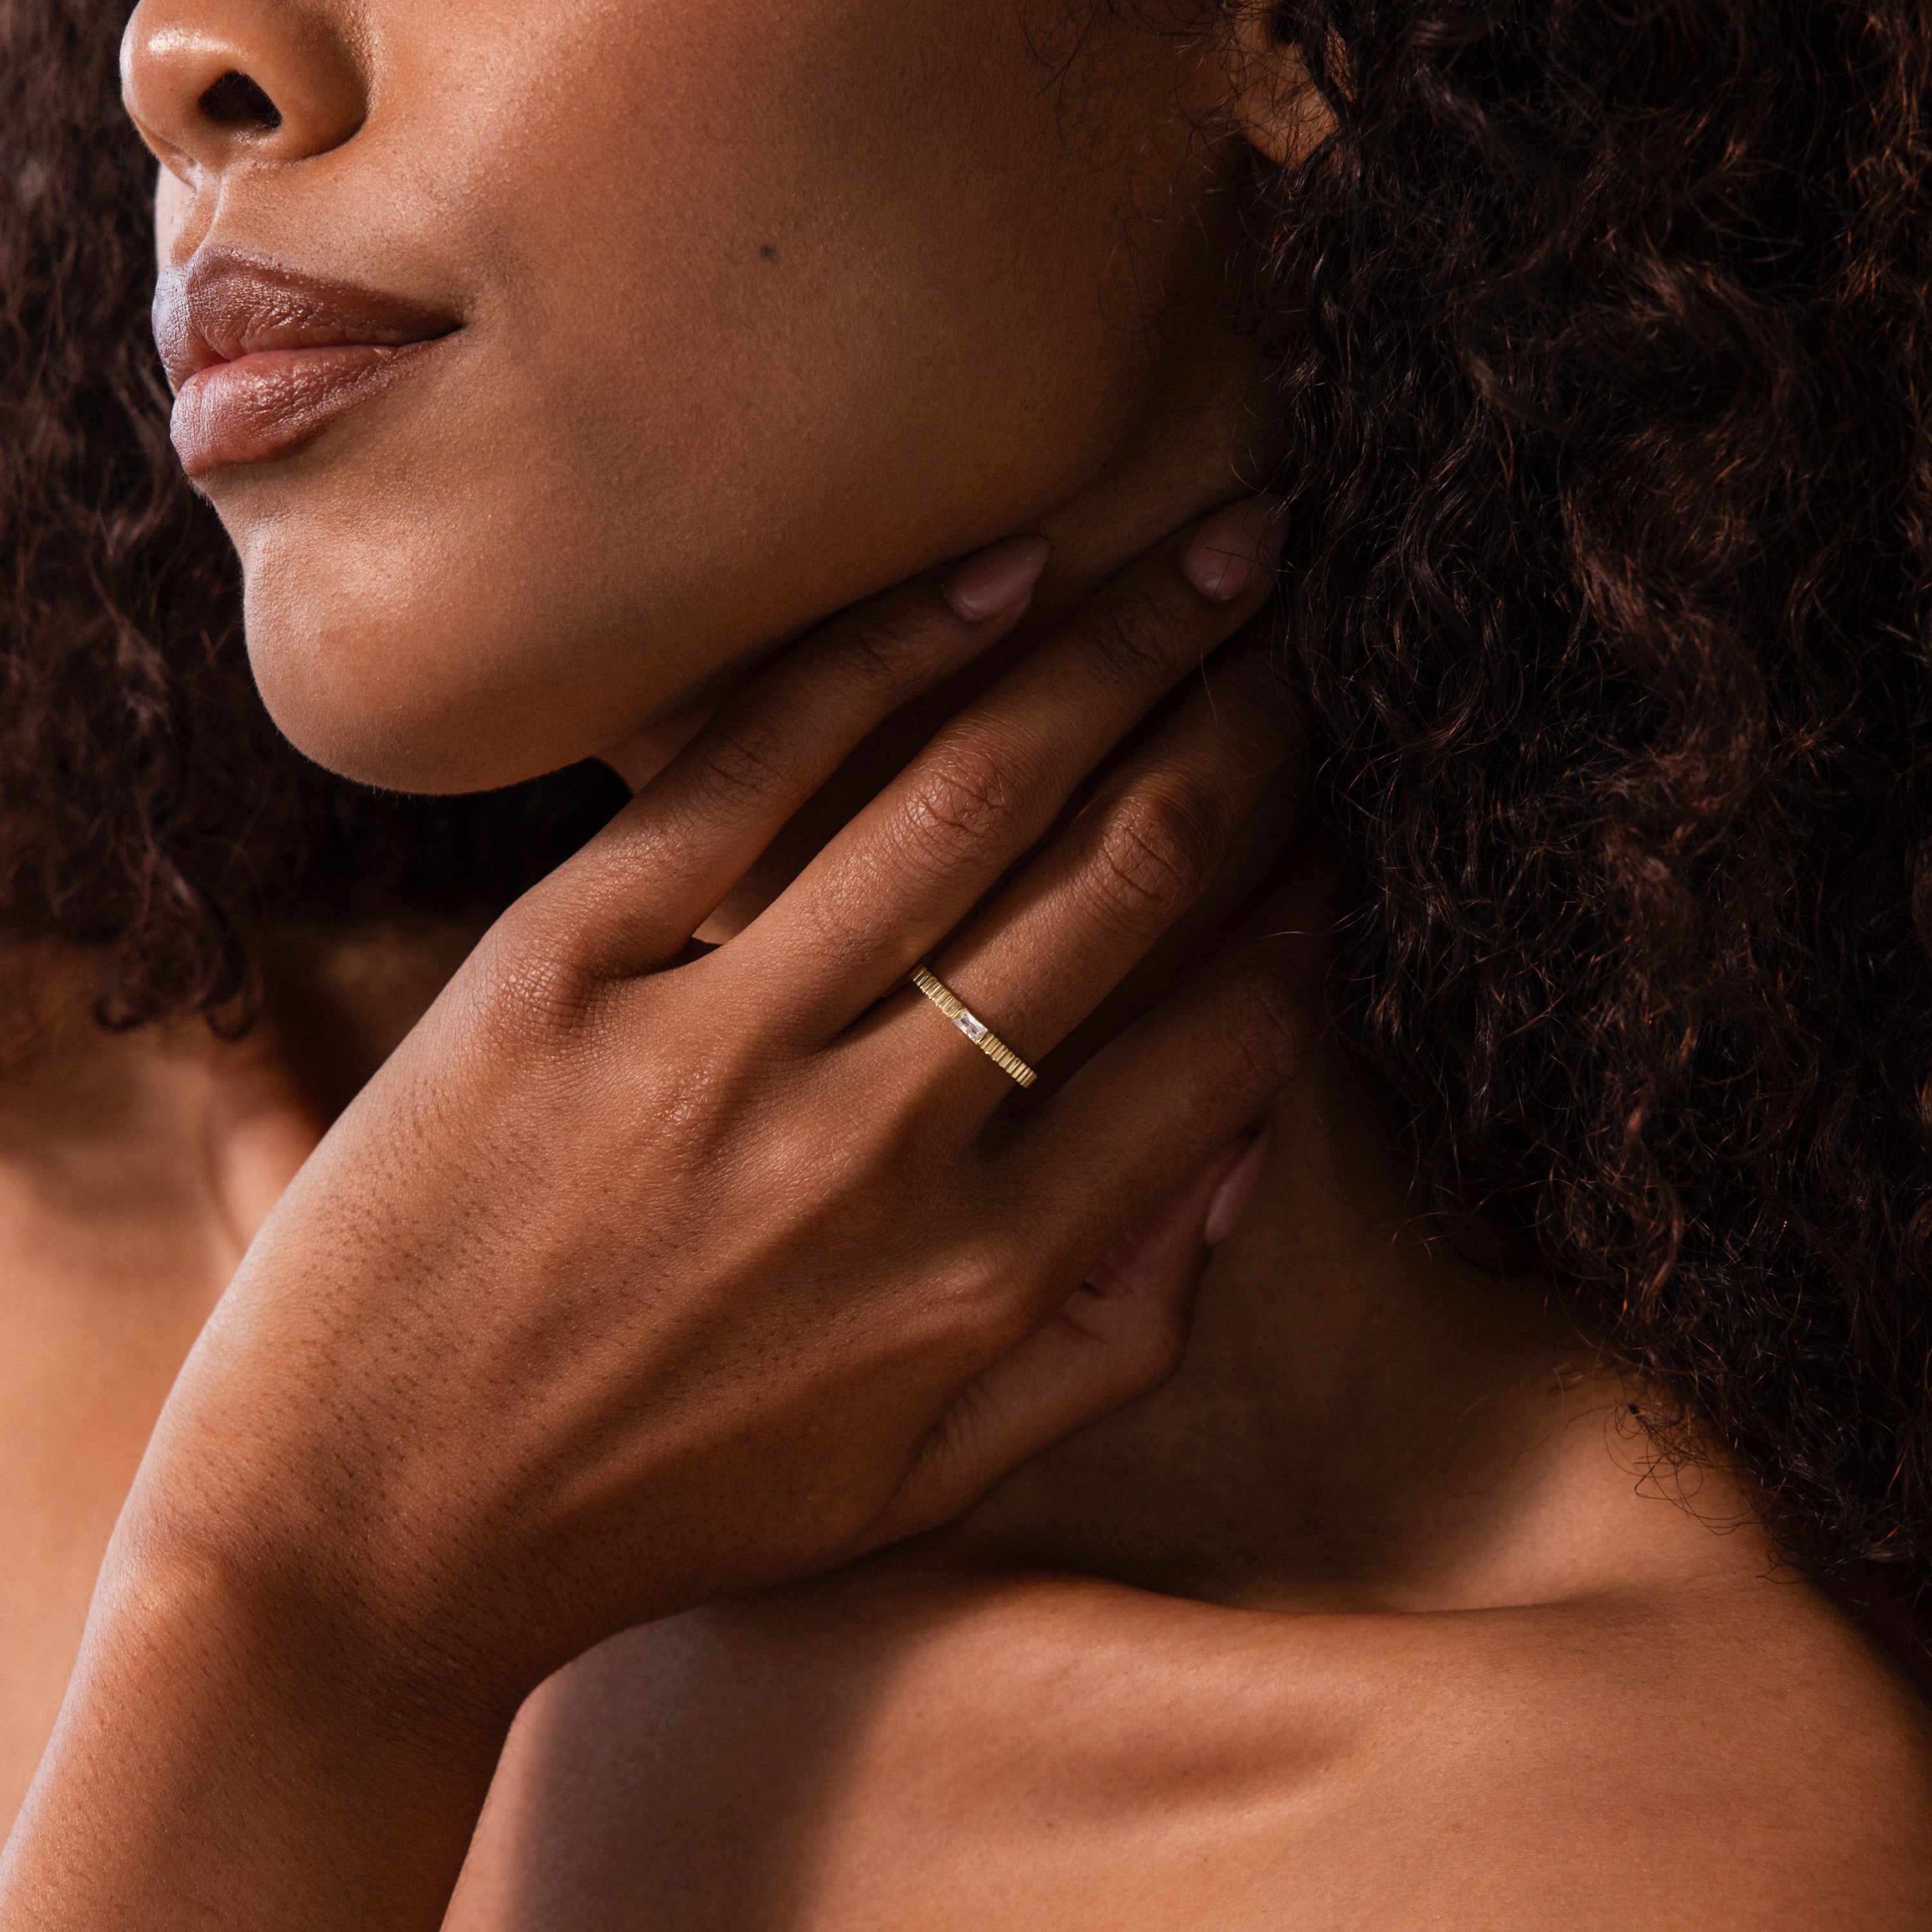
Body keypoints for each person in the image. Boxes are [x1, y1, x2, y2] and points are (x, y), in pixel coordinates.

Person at [3, 1, 1931, 1927]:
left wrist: (322, 1610)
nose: (182, 55)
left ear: (1298, 37)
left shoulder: (1623, 1856)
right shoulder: (69, 1237)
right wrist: (293, 1591)